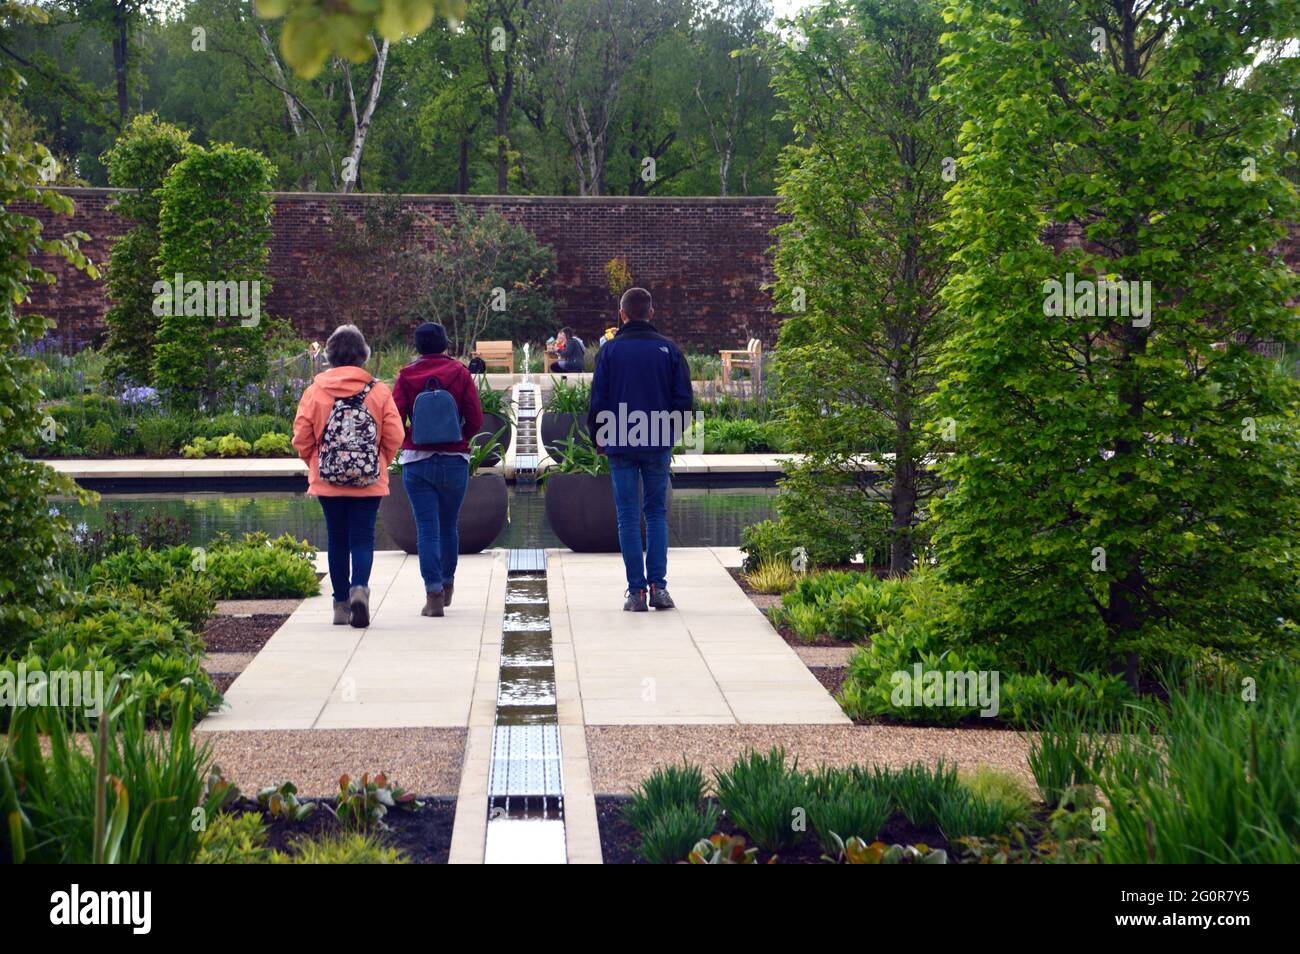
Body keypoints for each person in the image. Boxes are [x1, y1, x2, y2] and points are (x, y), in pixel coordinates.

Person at [588, 288, 693, 611]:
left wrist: (599, 437)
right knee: (656, 513)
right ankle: (659, 587)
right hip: (657, 439)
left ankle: (636, 592)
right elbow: (683, 401)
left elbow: (598, 401)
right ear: (651, 312)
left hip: (620, 439)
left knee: (628, 517)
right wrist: (671, 432)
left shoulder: (609, 352)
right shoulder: (669, 350)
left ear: (622, 315)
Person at [293, 324, 403, 628]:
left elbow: (301, 437)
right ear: (363, 356)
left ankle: (340, 605)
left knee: (337, 538)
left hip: (328, 482)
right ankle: (359, 589)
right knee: (362, 538)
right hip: (369, 481)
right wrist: (379, 462)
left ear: (329, 356)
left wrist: (315, 463)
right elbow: (395, 434)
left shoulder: (315, 392)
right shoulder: (378, 391)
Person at [393, 322, 483, 618]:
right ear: (445, 343)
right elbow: (476, 418)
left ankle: (432, 594)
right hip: (454, 459)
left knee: (427, 529)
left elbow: (394, 419)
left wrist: (411, 436)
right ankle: (447, 586)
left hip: (417, 461)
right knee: (449, 526)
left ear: (416, 346)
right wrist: (461, 438)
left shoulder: (406, 375)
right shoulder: (459, 372)